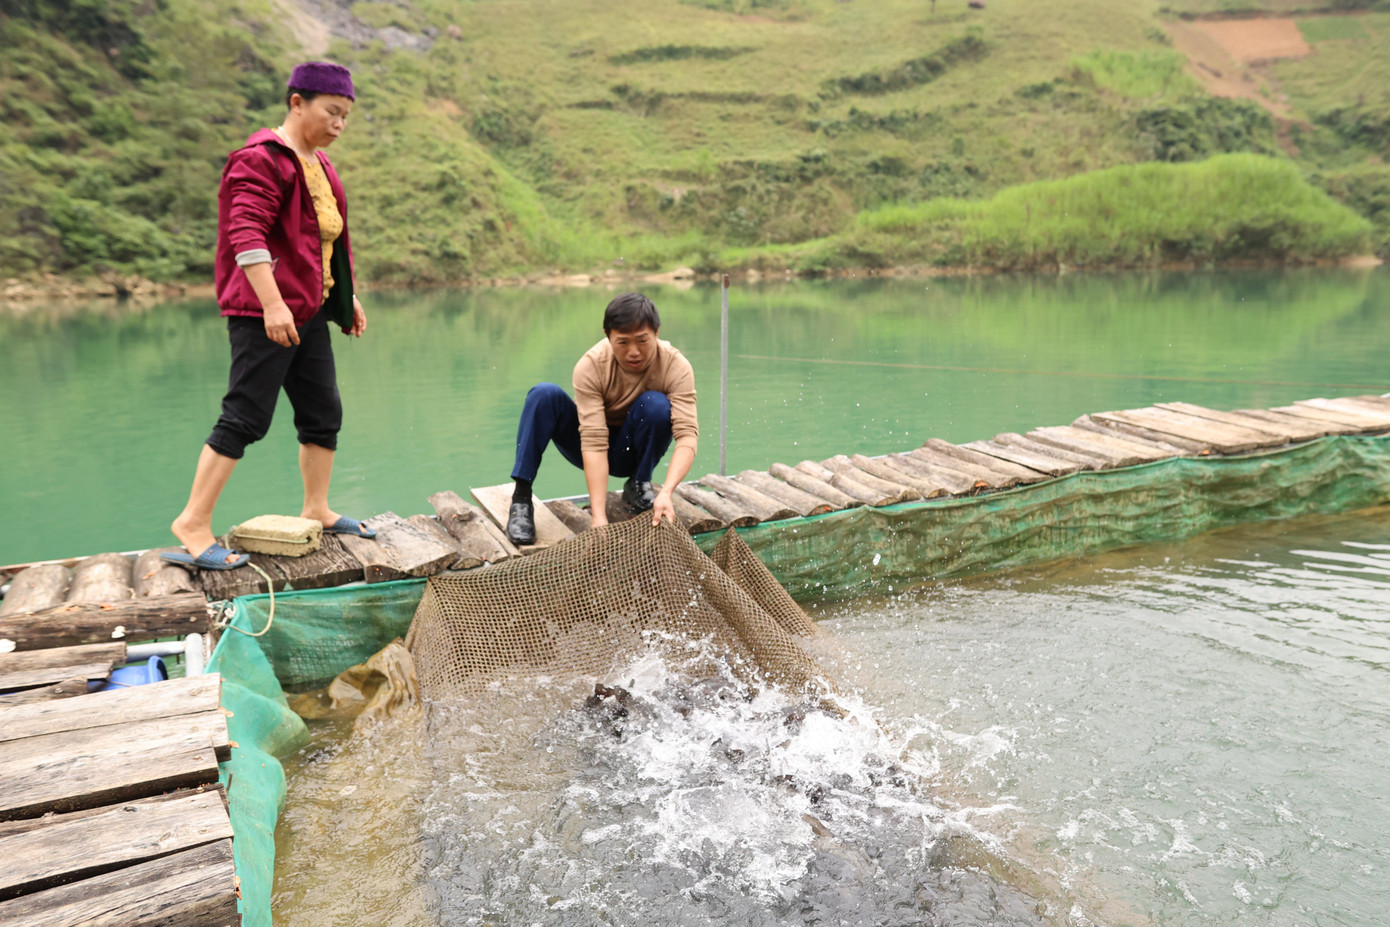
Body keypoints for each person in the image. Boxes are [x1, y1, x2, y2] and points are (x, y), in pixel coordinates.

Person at [164, 61, 376, 572]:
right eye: (332, 111)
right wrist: (273, 303)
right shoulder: (260, 159)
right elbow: (247, 235)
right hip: (264, 312)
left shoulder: (319, 165)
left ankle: (317, 508)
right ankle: (192, 522)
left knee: (322, 413)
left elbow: (322, 241)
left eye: (346, 116)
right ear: (297, 102)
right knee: (245, 416)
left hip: (309, 311)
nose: (339, 124)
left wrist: (343, 296)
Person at [506, 292, 698, 544]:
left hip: (632, 451)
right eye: (623, 342)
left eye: (642, 340)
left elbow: (687, 436)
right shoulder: (591, 365)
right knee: (543, 395)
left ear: (657, 332)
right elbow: (594, 441)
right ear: (608, 336)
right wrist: (599, 518)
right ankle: (521, 499)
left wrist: (667, 492)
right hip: (592, 447)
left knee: (656, 405)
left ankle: (639, 483)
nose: (634, 352)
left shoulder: (676, 366)